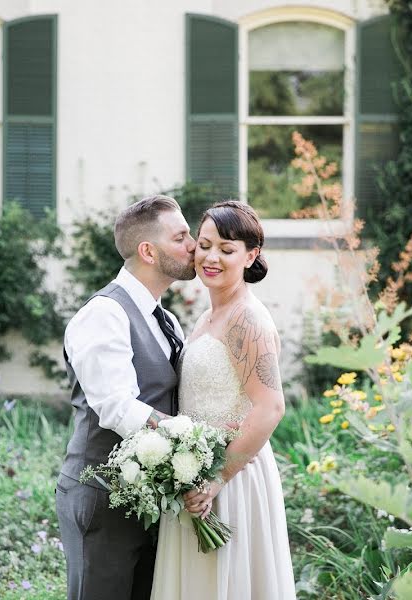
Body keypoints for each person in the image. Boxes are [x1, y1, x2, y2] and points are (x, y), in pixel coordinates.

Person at [150, 200, 296, 599]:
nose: (211, 257)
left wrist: (217, 479)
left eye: (227, 250)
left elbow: (270, 407)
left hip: (231, 480)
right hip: (195, 472)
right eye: (205, 244)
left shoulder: (248, 319)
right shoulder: (207, 317)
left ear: (251, 256)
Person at [56, 194, 196, 600]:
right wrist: (189, 440)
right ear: (148, 251)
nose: (193, 245)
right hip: (102, 494)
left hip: (148, 498)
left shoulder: (165, 319)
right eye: (181, 236)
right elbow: (116, 407)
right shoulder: (104, 313)